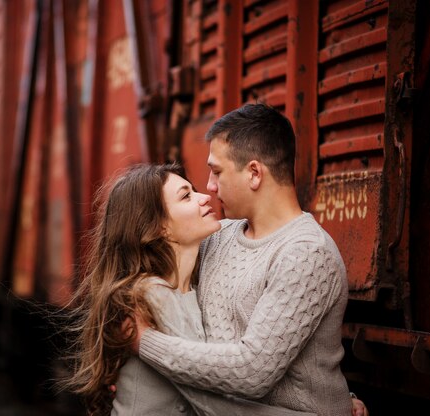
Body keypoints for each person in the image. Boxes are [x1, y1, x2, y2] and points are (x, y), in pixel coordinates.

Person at [133, 104, 367, 416]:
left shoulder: (307, 254)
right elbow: (148, 267)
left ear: (254, 173)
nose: (210, 187)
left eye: (217, 172)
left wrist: (144, 343)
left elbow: (251, 372)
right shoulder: (219, 235)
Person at [62, 163, 317, 415]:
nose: (205, 197)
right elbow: (212, 403)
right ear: (158, 226)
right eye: (186, 196)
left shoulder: (191, 288)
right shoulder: (149, 295)